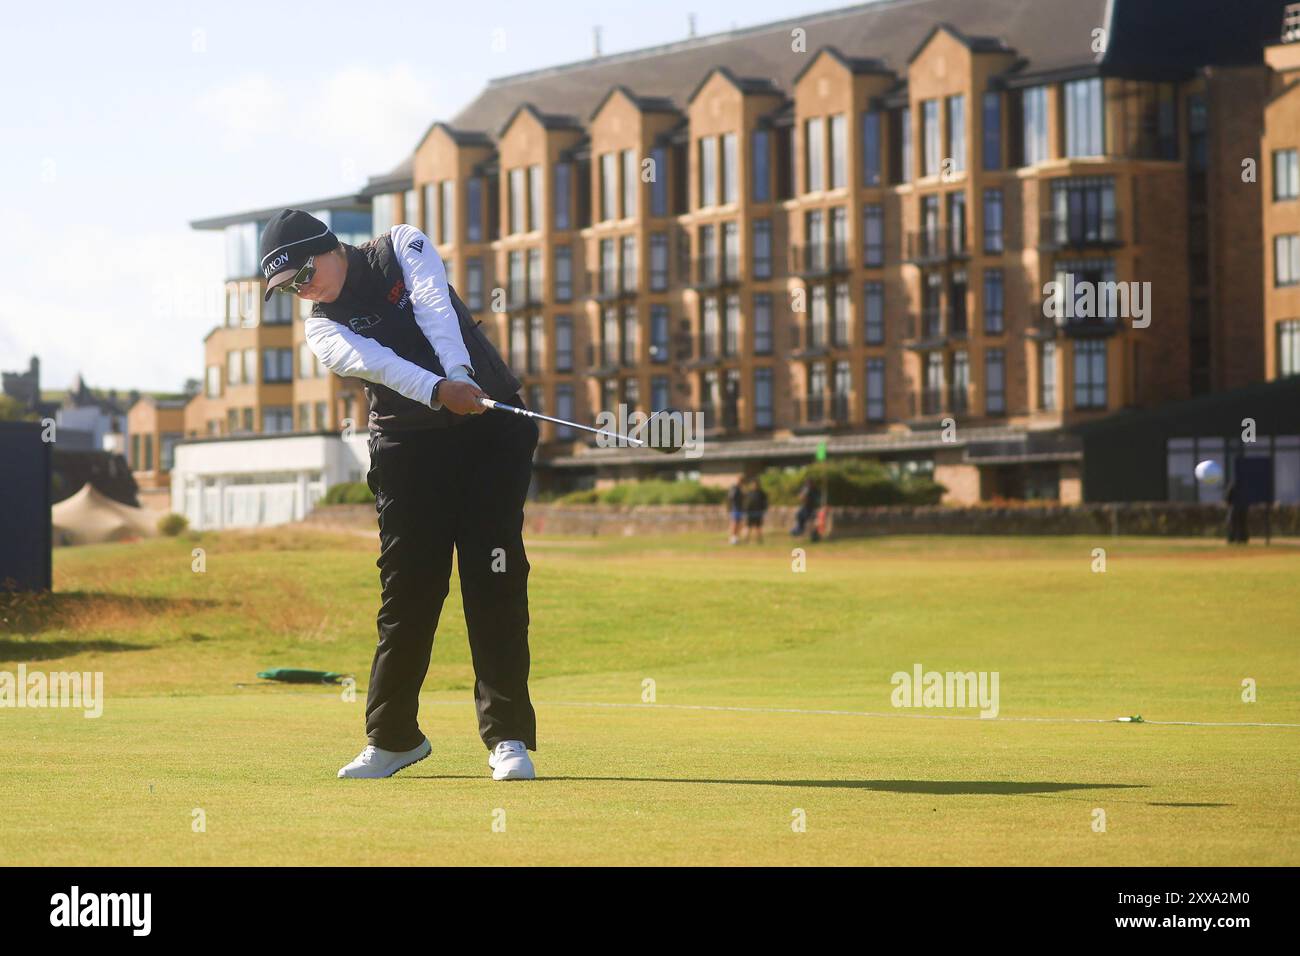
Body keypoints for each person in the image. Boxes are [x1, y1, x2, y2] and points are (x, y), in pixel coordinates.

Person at [258, 208, 539, 781]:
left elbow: (439, 312)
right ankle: (393, 739)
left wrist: (459, 375)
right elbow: (381, 366)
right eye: (289, 287)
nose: (303, 288)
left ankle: (507, 739)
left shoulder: (401, 246)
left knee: (494, 579)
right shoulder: (321, 328)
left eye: (303, 272)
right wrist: (440, 390)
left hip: (489, 431)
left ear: (329, 247)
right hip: (410, 449)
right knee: (408, 593)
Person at [791, 477, 822, 542]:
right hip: (805, 508)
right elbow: (801, 498)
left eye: (809, 483)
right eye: (807, 483)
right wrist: (803, 495)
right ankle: (799, 530)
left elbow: (818, 500)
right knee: (799, 516)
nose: (808, 485)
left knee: (813, 523)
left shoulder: (815, 490)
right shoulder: (804, 489)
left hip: (813, 508)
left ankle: (815, 536)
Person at [1224, 478, 1249, 545]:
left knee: (1232, 524)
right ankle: (1243, 539)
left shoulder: (1232, 485)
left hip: (1234, 508)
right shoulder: (1245, 485)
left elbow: (1228, 498)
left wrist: (1228, 505)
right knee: (1242, 524)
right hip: (1243, 507)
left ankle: (1232, 539)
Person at [743, 479, 769, 544]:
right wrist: (745, 510)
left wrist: (764, 510)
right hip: (750, 513)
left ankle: (760, 540)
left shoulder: (761, 493)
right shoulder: (749, 493)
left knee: (758, 527)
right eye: (753, 484)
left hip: (758, 513)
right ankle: (746, 540)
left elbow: (765, 502)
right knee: (748, 527)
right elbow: (745, 503)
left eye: (755, 484)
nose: (754, 486)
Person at [726, 479, 745, 545]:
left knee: (739, 524)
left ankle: (736, 538)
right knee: (734, 524)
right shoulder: (734, 489)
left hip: (740, 509)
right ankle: (732, 538)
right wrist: (729, 508)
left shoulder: (740, 489)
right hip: (735, 509)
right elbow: (730, 498)